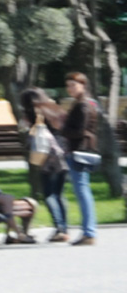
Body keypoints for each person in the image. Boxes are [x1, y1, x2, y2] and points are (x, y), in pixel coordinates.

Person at [20, 87, 71, 242]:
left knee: (49, 194)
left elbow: (22, 128)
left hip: (46, 157)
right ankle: (64, 228)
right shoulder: (54, 108)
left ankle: (59, 228)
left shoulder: (31, 113)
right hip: (62, 152)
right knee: (59, 194)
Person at [62, 72, 99, 246]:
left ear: (83, 85)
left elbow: (79, 131)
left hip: (79, 151)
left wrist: (62, 128)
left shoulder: (83, 105)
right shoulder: (89, 102)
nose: (70, 89)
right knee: (84, 191)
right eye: (68, 85)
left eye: (74, 85)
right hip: (84, 150)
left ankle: (89, 233)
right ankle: (89, 231)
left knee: (83, 192)